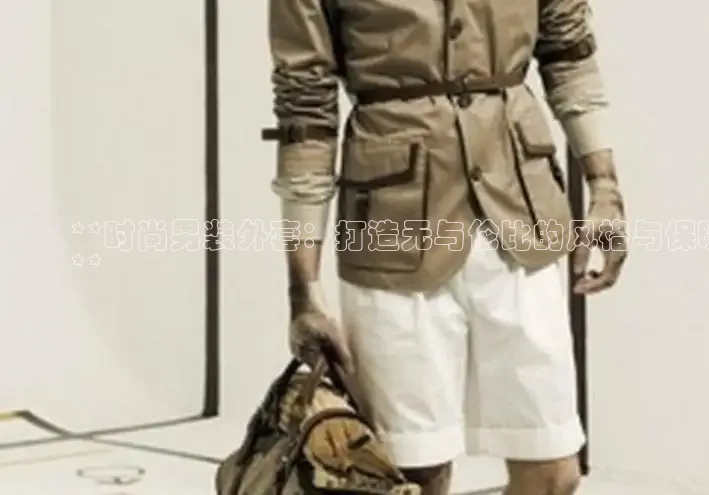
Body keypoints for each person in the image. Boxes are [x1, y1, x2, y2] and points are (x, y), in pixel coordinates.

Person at [266, 0, 627, 494]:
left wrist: (605, 187)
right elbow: (305, 107)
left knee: (554, 473)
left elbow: (569, 49)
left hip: (521, 214)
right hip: (392, 230)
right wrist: (303, 288)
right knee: (413, 473)